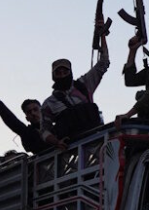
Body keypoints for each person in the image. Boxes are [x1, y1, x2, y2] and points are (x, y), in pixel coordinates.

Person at [41, 17, 110, 149]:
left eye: (65, 72)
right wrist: (56, 142)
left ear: (70, 72)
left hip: (97, 140)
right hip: (72, 149)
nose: (62, 75)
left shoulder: (84, 84)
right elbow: (44, 131)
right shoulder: (49, 104)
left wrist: (102, 35)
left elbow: (103, 63)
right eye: (58, 73)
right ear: (53, 76)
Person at [0, 78, 50, 155]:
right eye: (29, 112)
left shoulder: (54, 127)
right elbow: (11, 120)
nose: (33, 113)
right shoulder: (28, 132)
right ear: (27, 118)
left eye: (35, 110)